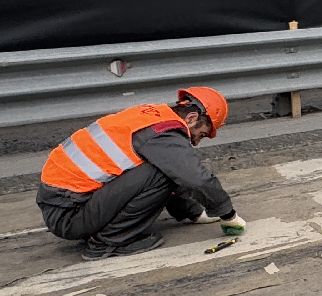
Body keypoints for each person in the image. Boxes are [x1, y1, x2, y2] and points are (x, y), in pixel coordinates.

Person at [36, 86, 246, 260]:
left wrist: (193, 212)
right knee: (165, 171)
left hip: (66, 205)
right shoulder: (163, 133)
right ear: (191, 118)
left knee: (168, 166)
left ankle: (103, 232)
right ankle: (107, 242)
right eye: (201, 134)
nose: (196, 142)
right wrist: (228, 214)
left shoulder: (151, 115)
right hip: (69, 215)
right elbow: (195, 179)